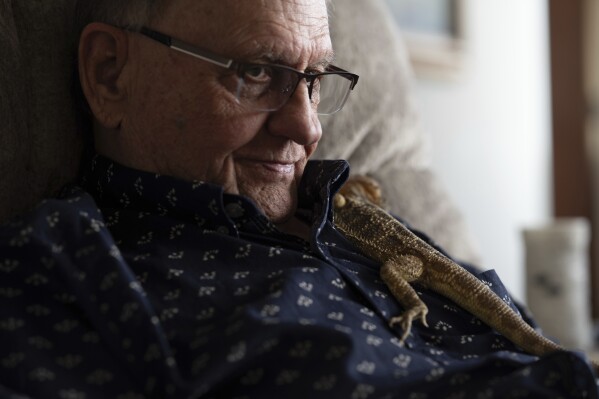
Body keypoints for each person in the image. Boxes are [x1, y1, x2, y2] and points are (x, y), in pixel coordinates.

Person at [0, 0, 597, 398]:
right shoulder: (61, 270)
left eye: (315, 81)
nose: (310, 129)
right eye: (256, 73)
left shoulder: (359, 211)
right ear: (110, 74)